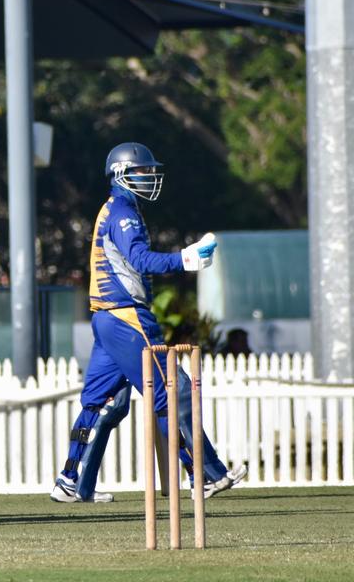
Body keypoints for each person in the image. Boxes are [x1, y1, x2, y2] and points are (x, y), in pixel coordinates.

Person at [50, 142, 247, 504]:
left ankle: (72, 480)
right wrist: (184, 259)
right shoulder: (123, 212)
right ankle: (205, 474)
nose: (150, 177)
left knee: (104, 404)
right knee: (173, 392)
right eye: (142, 172)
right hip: (127, 317)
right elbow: (140, 260)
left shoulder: (117, 208)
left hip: (107, 318)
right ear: (121, 174)